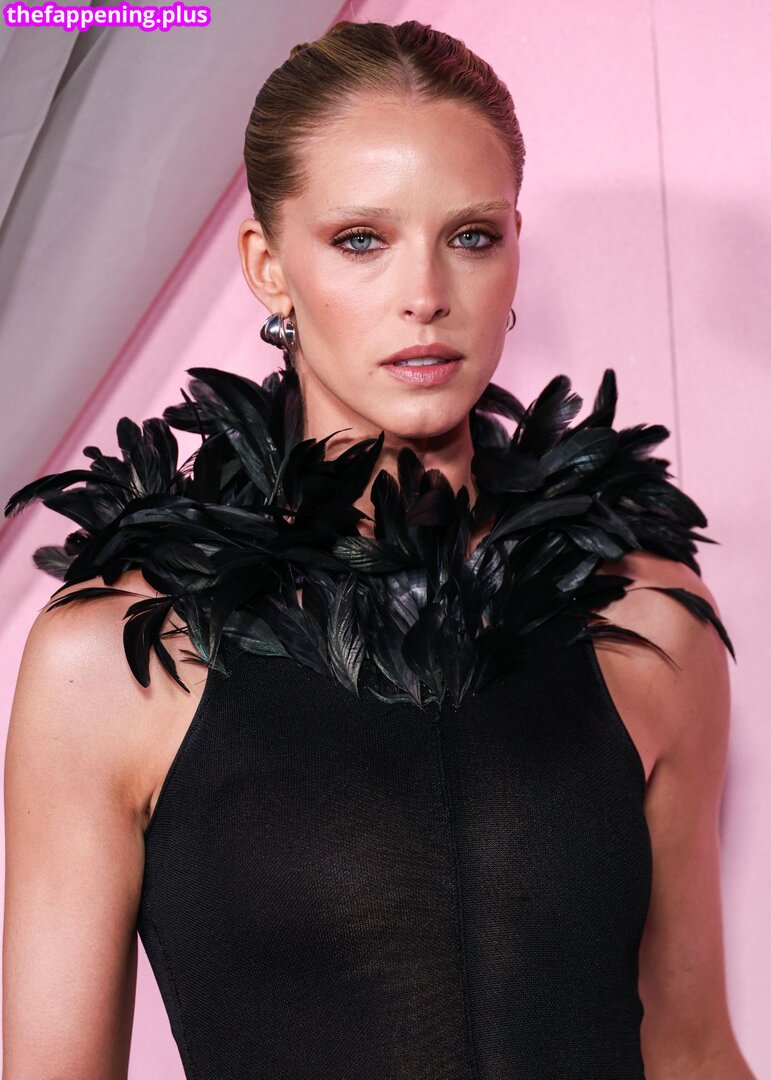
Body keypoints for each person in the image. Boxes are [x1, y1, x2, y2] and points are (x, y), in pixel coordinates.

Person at [2, 19, 755, 1080]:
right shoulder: (116, 658)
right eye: (361, 239)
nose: (426, 295)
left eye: (471, 236)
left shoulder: (649, 620)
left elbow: (691, 1051)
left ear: (513, 248)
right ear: (268, 268)